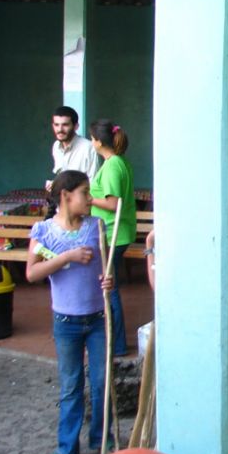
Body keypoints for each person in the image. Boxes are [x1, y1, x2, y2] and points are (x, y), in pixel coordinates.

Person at [26, 170, 113, 454]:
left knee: (102, 381)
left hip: (99, 317)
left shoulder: (96, 226)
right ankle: (67, 447)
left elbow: (105, 267)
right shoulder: (43, 231)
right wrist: (66, 257)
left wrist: (107, 280)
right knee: (71, 384)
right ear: (66, 196)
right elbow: (32, 273)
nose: (90, 199)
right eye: (85, 193)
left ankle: (103, 440)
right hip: (65, 321)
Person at [88, 120, 137, 357]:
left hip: (113, 234)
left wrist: (88, 200)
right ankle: (114, 342)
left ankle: (116, 344)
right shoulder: (117, 162)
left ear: (98, 141)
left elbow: (113, 202)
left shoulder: (112, 165)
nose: (91, 142)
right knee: (111, 287)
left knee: (110, 289)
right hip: (115, 233)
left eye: (92, 138)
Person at [47, 106, 100, 191]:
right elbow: (63, 178)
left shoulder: (88, 148)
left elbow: (93, 184)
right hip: (63, 201)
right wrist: (55, 184)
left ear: (76, 126)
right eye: (56, 125)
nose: (60, 129)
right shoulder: (56, 147)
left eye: (65, 125)